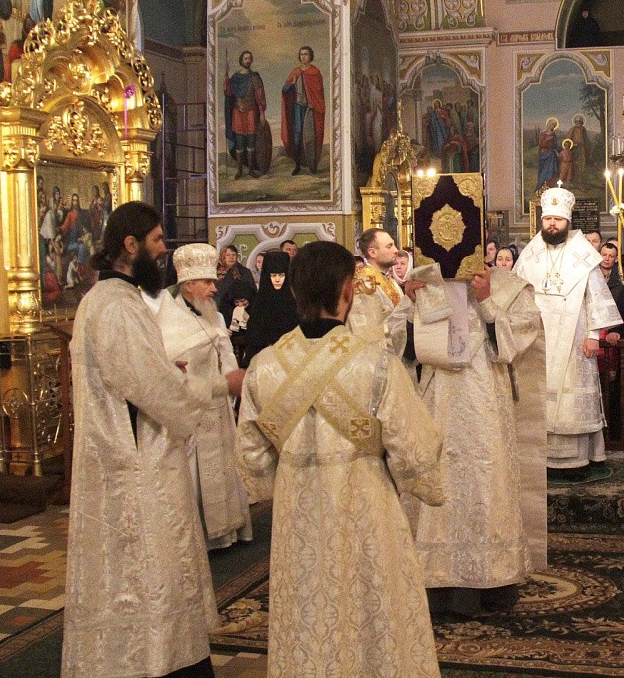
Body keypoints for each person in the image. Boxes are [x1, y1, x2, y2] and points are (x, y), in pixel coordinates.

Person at [236, 241, 445, 676]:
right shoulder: (376, 365)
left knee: (308, 612)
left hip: (298, 514)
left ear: (295, 292)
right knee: (373, 607)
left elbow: (252, 459)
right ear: (348, 291)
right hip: (365, 508)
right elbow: (415, 451)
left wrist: (288, 478)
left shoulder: (263, 367)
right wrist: (421, 484)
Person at [63, 202, 245, 678]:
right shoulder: (117, 306)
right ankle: (158, 661)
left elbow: (135, 374)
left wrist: (166, 371)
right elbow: (150, 388)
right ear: (131, 245)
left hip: (127, 456)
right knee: (150, 570)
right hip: (136, 464)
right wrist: (210, 388)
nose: (164, 250)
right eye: (158, 240)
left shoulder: (107, 300)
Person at [405, 260, 547, 616]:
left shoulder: (508, 286)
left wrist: (486, 301)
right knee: (440, 482)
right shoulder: (426, 283)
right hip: (438, 403)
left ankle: (493, 582)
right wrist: (410, 307)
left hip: (486, 406)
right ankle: (438, 583)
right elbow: (398, 346)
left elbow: (520, 339)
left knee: (486, 484)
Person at [515, 187, 622, 472]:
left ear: (567, 221)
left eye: (558, 219)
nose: (552, 224)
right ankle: (541, 459)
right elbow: (517, 294)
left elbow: (595, 297)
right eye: (548, 218)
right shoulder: (530, 253)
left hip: (575, 337)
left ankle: (578, 459)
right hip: (538, 338)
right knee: (541, 397)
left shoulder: (583, 252)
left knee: (571, 398)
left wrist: (593, 336)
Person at [156, 244, 253, 550]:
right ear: (188, 285)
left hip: (218, 406)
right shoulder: (167, 320)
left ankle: (227, 531)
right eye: (208, 282)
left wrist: (234, 382)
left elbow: (225, 354)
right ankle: (201, 536)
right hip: (193, 410)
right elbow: (171, 368)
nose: (214, 288)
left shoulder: (214, 315)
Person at [348, 228, 411, 356]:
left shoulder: (390, 281)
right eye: (389, 246)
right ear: (372, 252)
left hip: (397, 353)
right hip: (379, 356)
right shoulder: (364, 284)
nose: (396, 250)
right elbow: (370, 329)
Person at [244, 251, 299, 364]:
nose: (277, 279)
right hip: (264, 361)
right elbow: (254, 339)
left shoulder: (294, 303)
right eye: (273, 275)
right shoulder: (260, 303)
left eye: (281, 275)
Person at [281, 45, 326, 175]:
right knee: (297, 135)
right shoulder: (296, 72)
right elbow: (284, 90)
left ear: (310, 56)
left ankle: (312, 164)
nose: (303, 57)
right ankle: (298, 165)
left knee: (311, 136)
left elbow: (319, 93)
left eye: (306, 54)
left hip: (310, 109)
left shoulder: (315, 72)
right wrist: (292, 83)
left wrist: (313, 103)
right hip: (298, 108)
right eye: (301, 54)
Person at [224, 50, 266, 179]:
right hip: (238, 112)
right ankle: (239, 170)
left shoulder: (254, 77)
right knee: (240, 141)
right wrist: (226, 79)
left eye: (249, 58)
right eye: (245, 58)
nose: (248, 61)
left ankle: (251, 170)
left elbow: (260, 96)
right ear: (241, 60)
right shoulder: (235, 78)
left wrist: (262, 113)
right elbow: (229, 93)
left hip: (251, 112)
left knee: (251, 142)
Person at [537, 117, 560, 190]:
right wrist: (547, 139)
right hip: (544, 153)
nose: (553, 126)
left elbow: (555, 145)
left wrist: (556, 151)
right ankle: (542, 186)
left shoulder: (553, 134)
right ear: (549, 124)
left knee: (551, 170)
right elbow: (540, 144)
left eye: (554, 125)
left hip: (551, 154)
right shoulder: (543, 133)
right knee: (543, 170)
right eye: (552, 124)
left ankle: (550, 185)